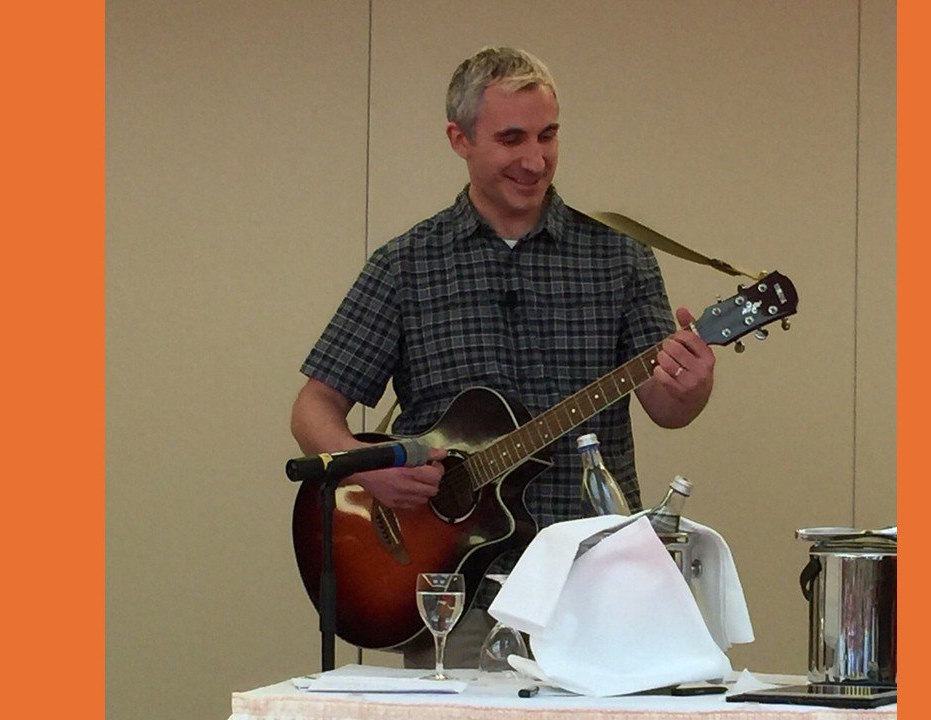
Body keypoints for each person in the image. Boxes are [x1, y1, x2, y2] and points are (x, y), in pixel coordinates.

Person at [290, 46, 715, 668]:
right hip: (460, 594)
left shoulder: (620, 258)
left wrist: (690, 383)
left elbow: (668, 408)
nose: (535, 159)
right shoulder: (407, 264)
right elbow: (314, 407)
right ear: (459, 139)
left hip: (598, 580)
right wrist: (363, 468)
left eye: (548, 135)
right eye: (511, 138)